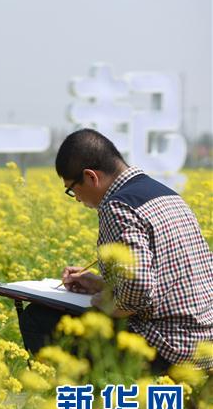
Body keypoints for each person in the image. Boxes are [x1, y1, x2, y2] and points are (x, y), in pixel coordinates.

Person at [18, 128, 213, 373]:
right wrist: (101, 284)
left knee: (38, 318)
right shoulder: (167, 195)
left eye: (71, 189)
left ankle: (82, 404)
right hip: (204, 343)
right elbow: (167, 282)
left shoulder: (117, 206)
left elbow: (140, 291)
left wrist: (102, 302)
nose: (76, 198)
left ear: (90, 177)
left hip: (168, 348)